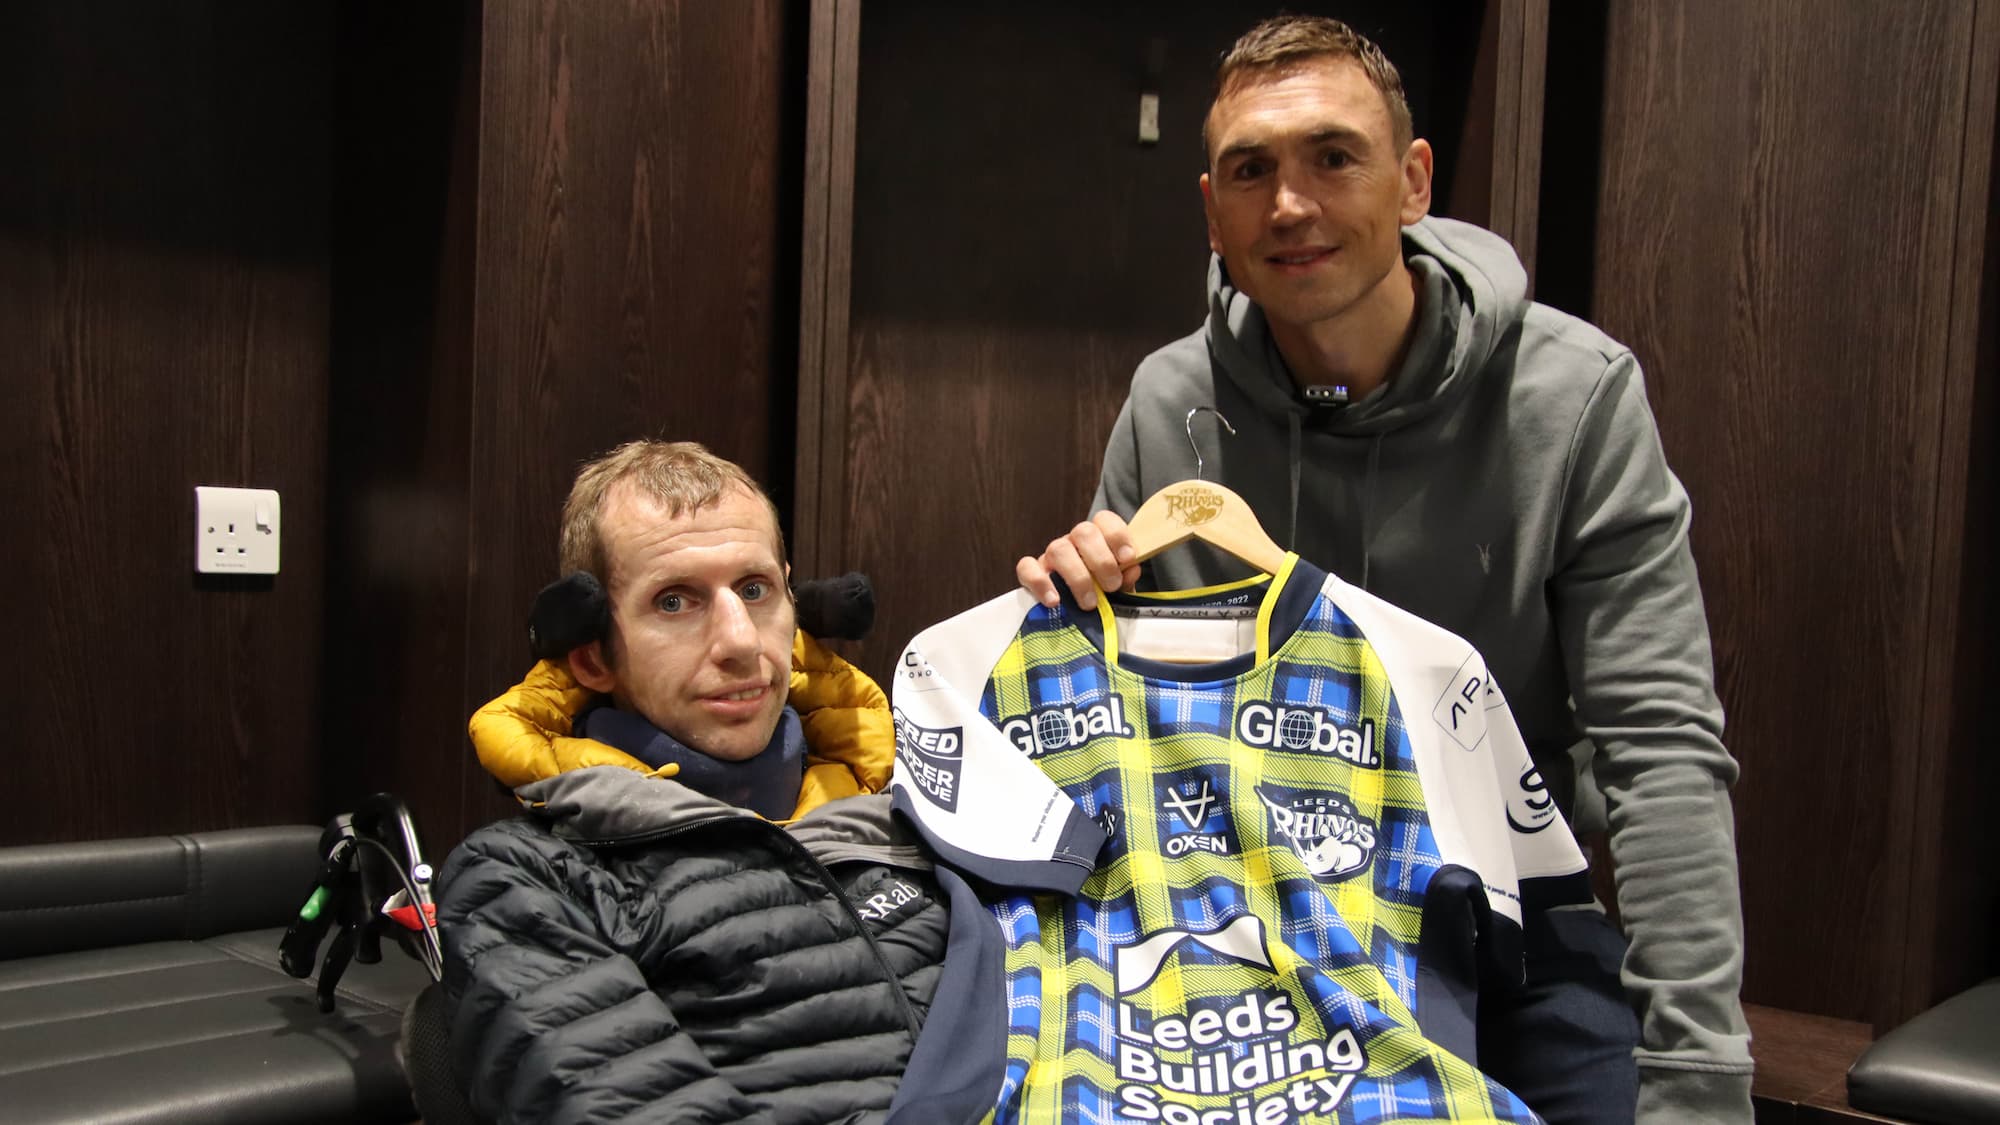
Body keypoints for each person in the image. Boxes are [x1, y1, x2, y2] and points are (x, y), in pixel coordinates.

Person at [1018, 16, 1750, 1125]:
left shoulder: (1574, 395)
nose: (1290, 204)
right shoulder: (1169, 401)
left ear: (1411, 182)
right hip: (1246, 898)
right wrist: (1080, 588)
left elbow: (1660, 749)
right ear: (1211, 212)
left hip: (1506, 904)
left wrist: (1699, 1073)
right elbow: (1116, 728)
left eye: (1331, 156)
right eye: (1249, 171)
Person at [436, 441, 950, 1124]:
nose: (741, 640)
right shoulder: (526, 879)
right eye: (675, 601)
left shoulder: (922, 806)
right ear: (592, 656)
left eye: (756, 589)